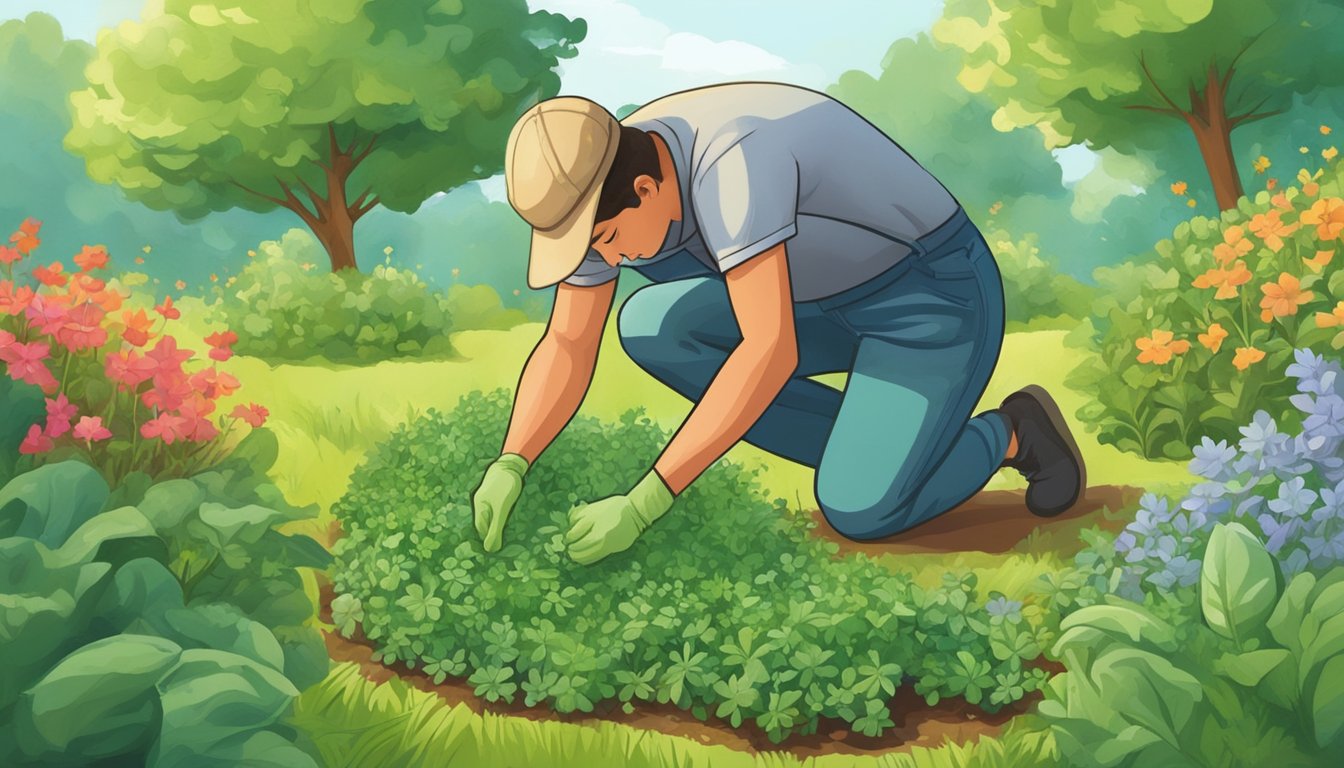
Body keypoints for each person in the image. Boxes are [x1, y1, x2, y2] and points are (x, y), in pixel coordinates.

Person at [471, 82, 1086, 565]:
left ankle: (1010, 432)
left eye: (604, 240)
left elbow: (769, 349)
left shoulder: (732, 161)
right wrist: (511, 462)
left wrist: (643, 502)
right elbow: (570, 340)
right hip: (810, 298)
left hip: (928, 297)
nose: (604, 262)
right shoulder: (610, 185)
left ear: (644, 187)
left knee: (861, 509)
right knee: (652, 325)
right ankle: (875, 447)